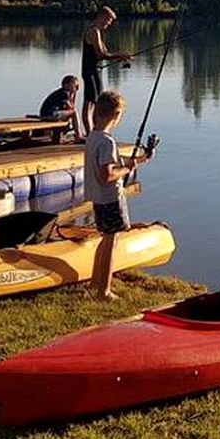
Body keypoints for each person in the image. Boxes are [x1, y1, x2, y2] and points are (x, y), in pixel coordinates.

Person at [85, 89, 135, 300]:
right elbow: (107, 176)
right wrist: (127, 170)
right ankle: (104, 291)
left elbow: (104, 164)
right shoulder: (108, 142)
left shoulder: (93, 137)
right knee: (111, 242)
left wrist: (133, 161)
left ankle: (95, 285)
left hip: (98, 199)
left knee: (104, 240)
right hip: (111, 199)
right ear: (115, 115)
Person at [80, 7, 133, 138]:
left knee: (97, 102)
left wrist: (120, 56)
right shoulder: (93, 31)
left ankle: (95, 131)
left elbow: (104, 51)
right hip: (89, 70)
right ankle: (90, 134)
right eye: (108, 21)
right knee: (89, 102)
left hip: (95, 69)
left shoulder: (96, 31)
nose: (108, 24)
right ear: (102, 16)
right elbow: (101, 55)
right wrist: (120, 56)